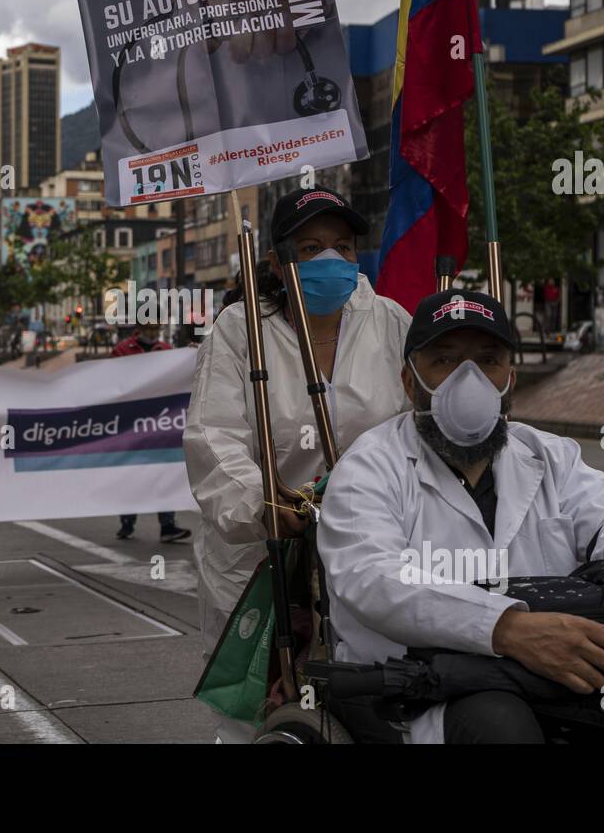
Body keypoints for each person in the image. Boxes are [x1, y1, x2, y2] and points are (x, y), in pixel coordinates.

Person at [318, 289, 604, 744]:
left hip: (554, 686)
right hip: (427, 691)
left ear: (509, 378)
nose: (469, 380)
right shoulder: (371, 467)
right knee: (502, 729)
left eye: (488, 360)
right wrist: (507, 629)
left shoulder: (549, 456)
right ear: (409, 380)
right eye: (445, 360)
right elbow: (372, 577)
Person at [184, 186, 411, 744]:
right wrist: (262, 503)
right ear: (275, 262)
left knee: (375, 699)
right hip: (267, 553)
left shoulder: (391, 323)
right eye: (310, 248)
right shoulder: (241, 332)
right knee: (263, 710)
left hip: (371, 545)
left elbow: (416, 424)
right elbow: (213, 438)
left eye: (342, 246)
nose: (329, 260)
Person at [110, 322, 191, 542]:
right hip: (131, 423)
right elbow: (112, 381)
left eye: (157, 328)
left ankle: (167, 526)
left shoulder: (165, 350)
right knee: (131, 473)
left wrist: (191, 356)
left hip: (159, 423)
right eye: (150, 328)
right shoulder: (122, 350)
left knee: (163, 473)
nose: (154, 333)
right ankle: (127, 522)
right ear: (140, 328)